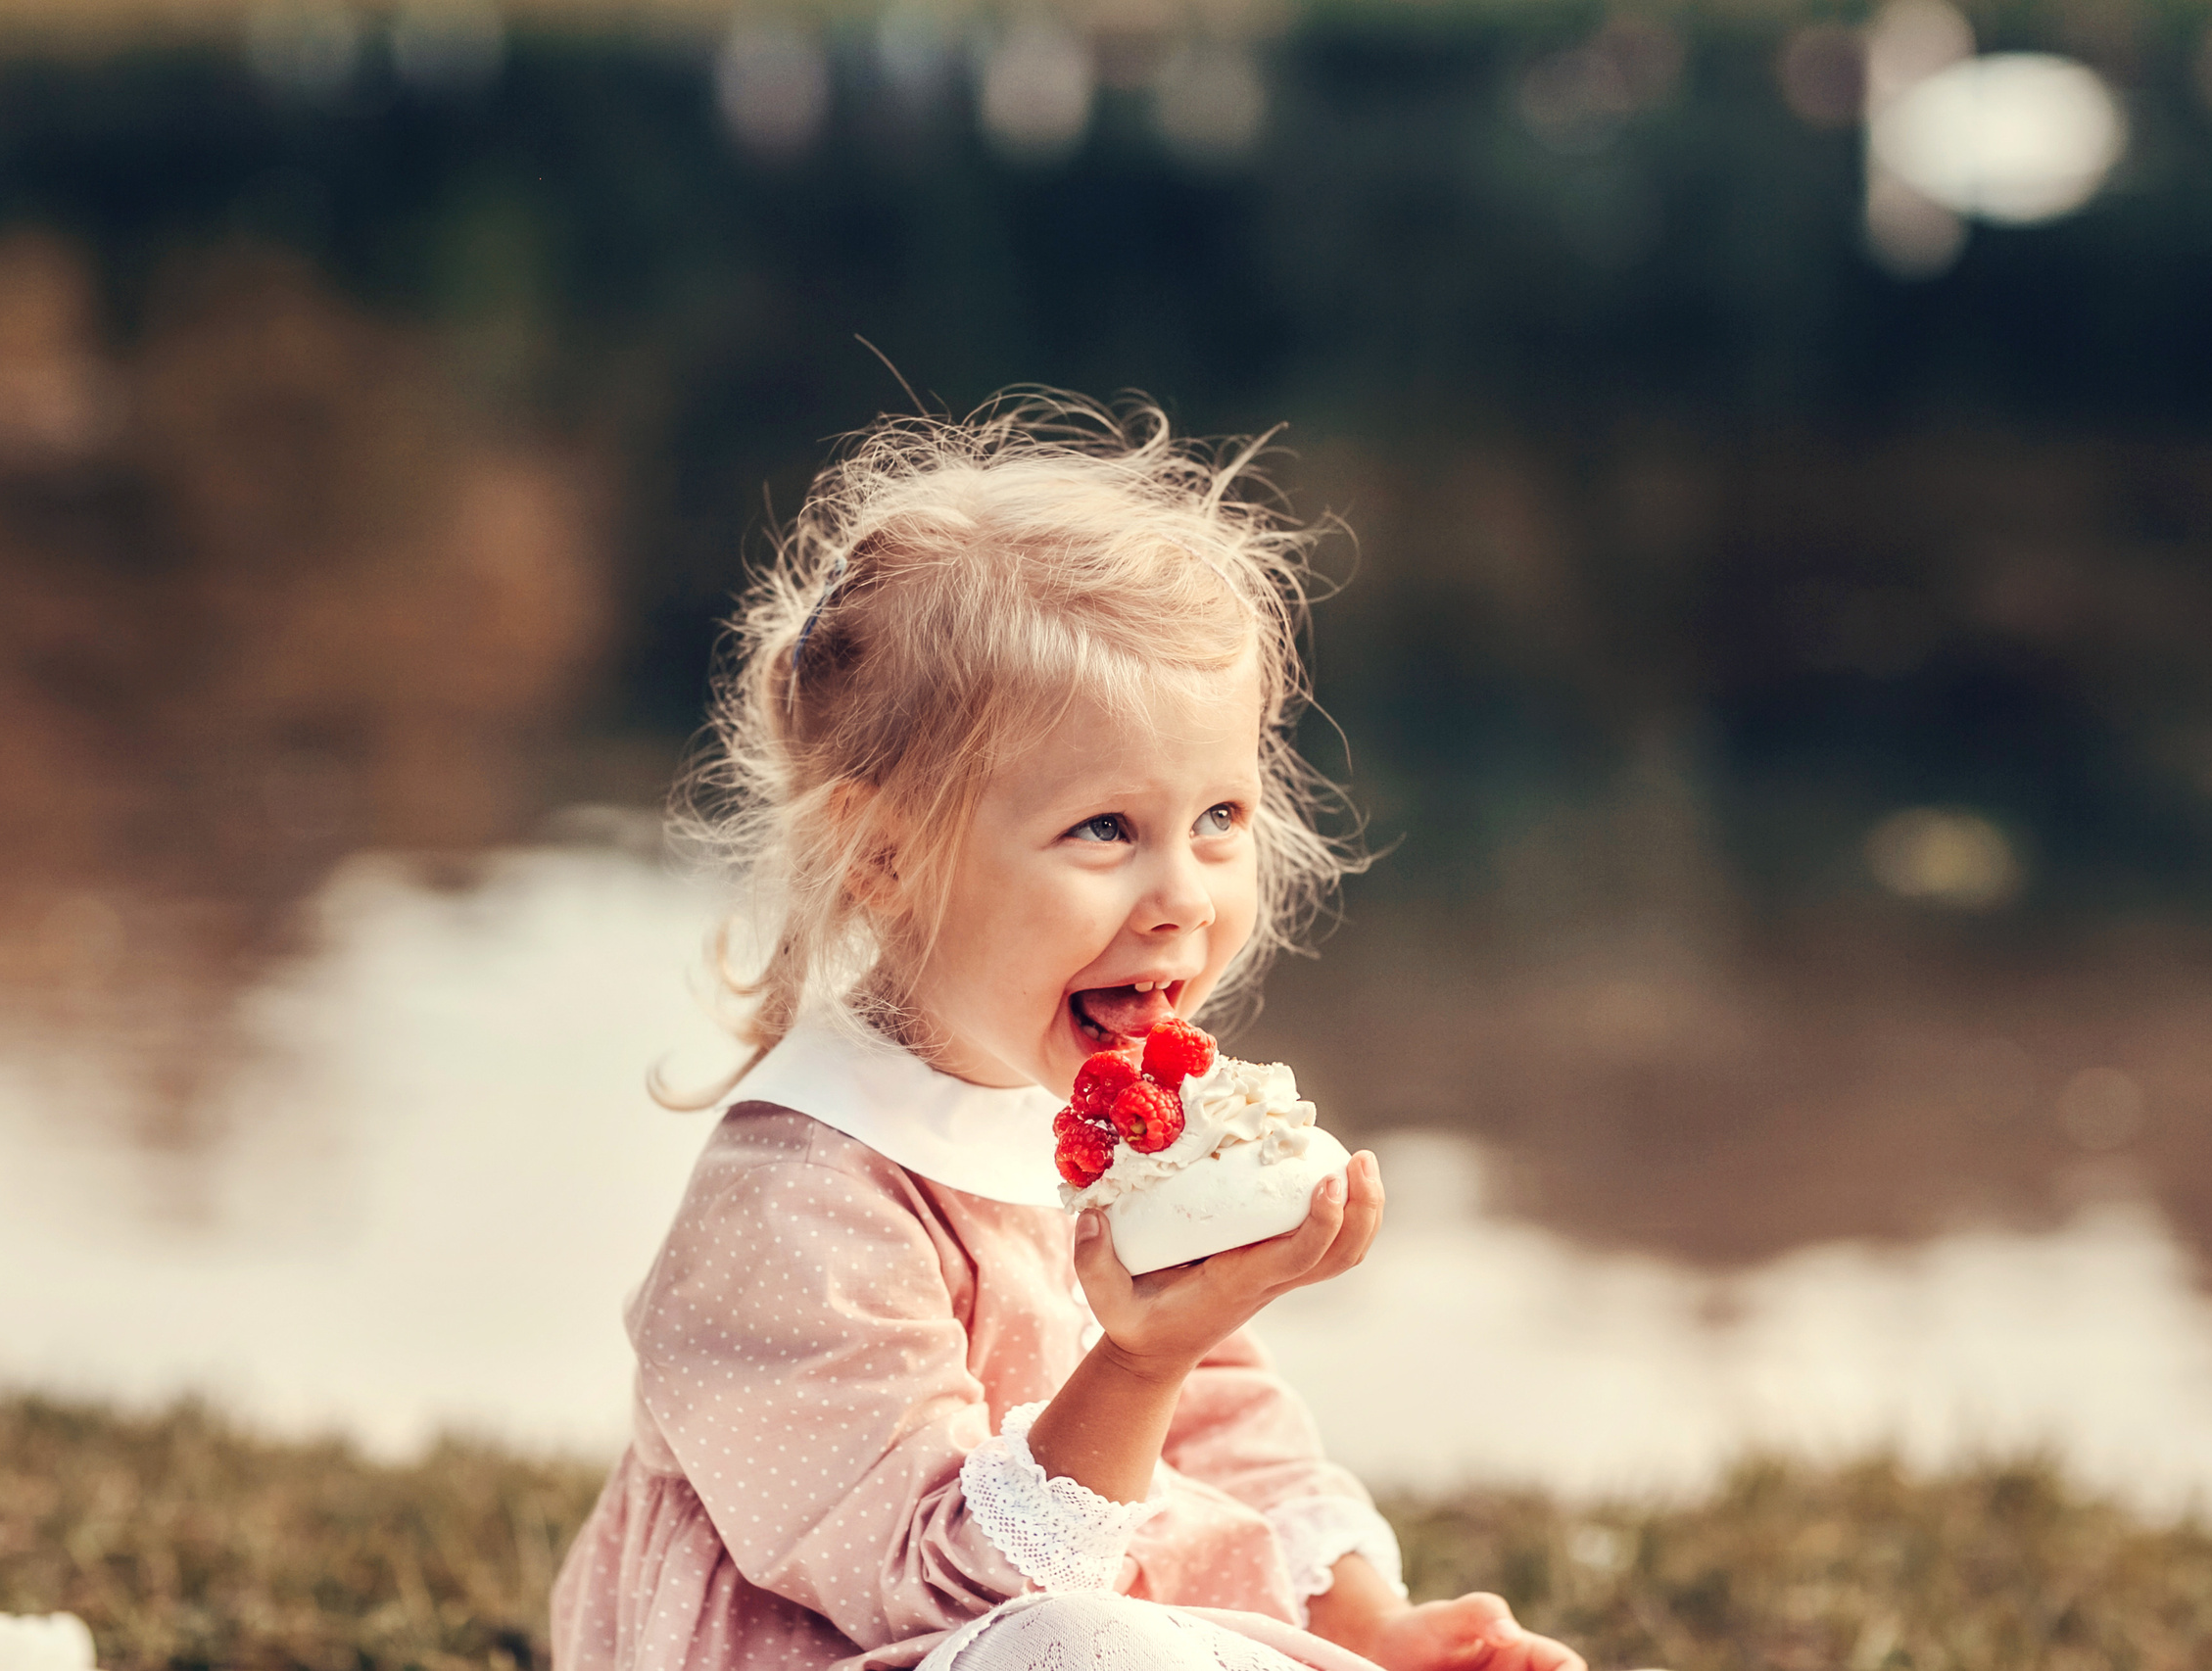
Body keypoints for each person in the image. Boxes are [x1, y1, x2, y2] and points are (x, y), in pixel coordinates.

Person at [550, 394, 1589, 1671]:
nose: (1184, 896)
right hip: (879, 1642)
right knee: (1078, 1649)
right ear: (884, 857)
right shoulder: (799, 1202)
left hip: (1064, 1618)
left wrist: (1363, 1615)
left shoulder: (1100, 1125)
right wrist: (1137, 1362)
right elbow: (938, 1589)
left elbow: (1227, 1423)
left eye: (1218, 816)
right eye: (1105, 830)